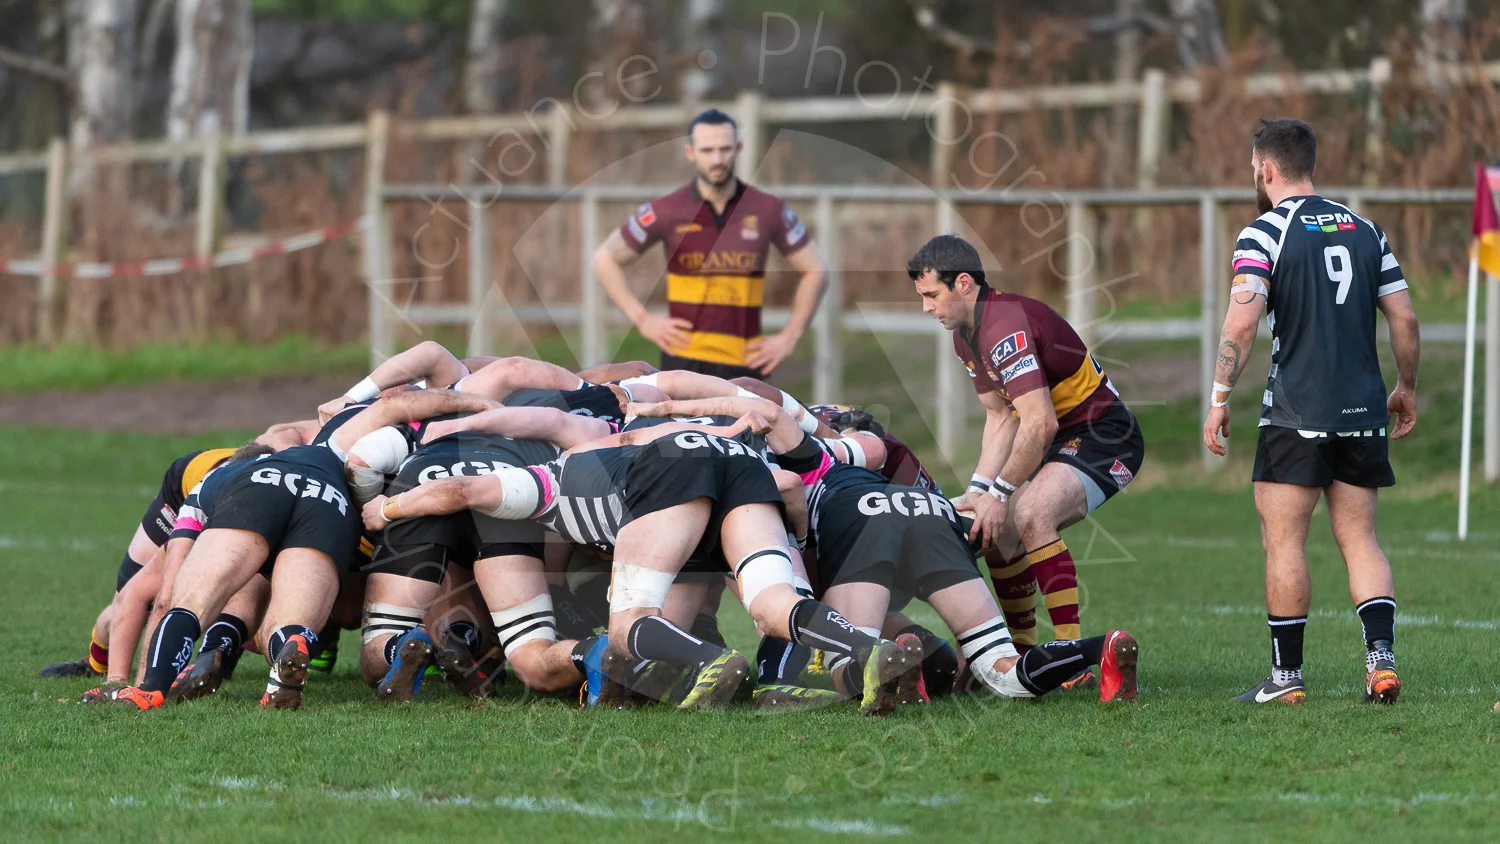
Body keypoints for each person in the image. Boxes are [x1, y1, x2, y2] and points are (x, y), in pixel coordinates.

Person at [1203, 118, 1420, 705]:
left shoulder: (1264, 233)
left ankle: (1286, 680)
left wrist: (1220, 397)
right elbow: (1403, 318)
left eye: (1255, 167)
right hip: (1363, 411)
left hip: (1297, 413)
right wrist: (1405, 386)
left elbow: (1242, 323)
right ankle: (1380, 662)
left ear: (1266, 168)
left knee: (1284, 542)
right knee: (1360, 539)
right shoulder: (1366, 230)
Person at [908, 235, 1146, 664]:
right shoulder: (965, 335)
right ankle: (1024, 657)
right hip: (1057, 440)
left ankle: (1069, 660)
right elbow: (1001, 418)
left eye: (930, 295)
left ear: (963, 283)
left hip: (1104, 436)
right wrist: (980, 492)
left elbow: (1040, 421)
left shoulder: (1004, 327)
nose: (926, 307)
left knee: (1031, 513)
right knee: (993, 531)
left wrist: (999, 496)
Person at [591, 108, 827, 379]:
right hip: (683, 364)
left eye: (725, 149)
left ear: (738, 148)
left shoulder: (768, 209)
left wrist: (788, 338)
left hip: (747, 365)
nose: (717, 159)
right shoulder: (667, 210)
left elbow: (816, 270)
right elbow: (604, 259)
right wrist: (644, 321)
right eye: (707, 150)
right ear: (690, 152)